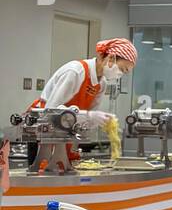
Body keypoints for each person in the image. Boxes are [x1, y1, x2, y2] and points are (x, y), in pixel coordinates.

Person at [26, 37, 137, 167]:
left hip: (65, 133)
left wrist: (99, 120)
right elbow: (51, 112)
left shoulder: (101, 83)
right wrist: (88, 116)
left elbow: (87, 119)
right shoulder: (75, 72)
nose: (120, 75)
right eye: (122, 69)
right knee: (44, 173)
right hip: (44, 133)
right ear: (111, 58)